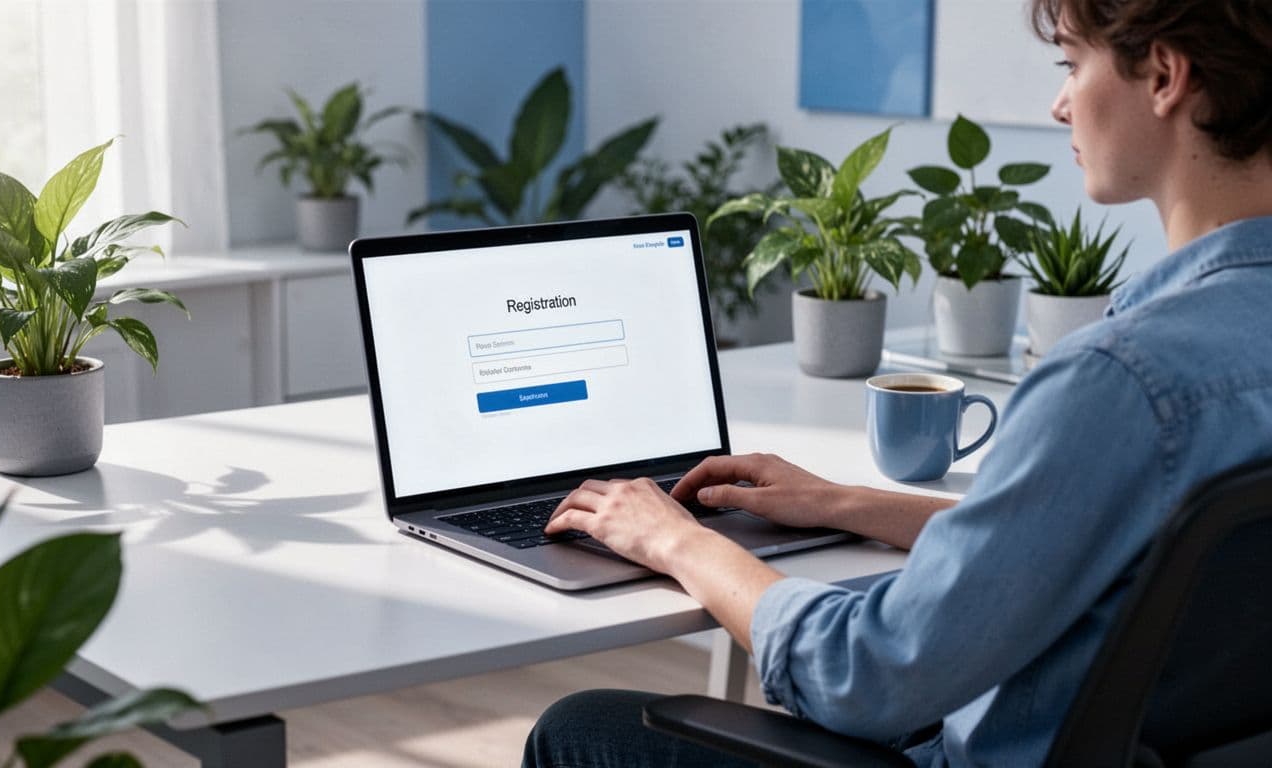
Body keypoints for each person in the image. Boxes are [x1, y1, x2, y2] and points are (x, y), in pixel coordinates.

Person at [522, 0, 1272, 765]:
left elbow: (869, 674)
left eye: (1072, 66)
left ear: (1167, 77)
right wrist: (842, 504)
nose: (1059, 102)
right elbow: (1069, 548)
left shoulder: (1118, 384)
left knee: (575, 730)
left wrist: (678, 542)